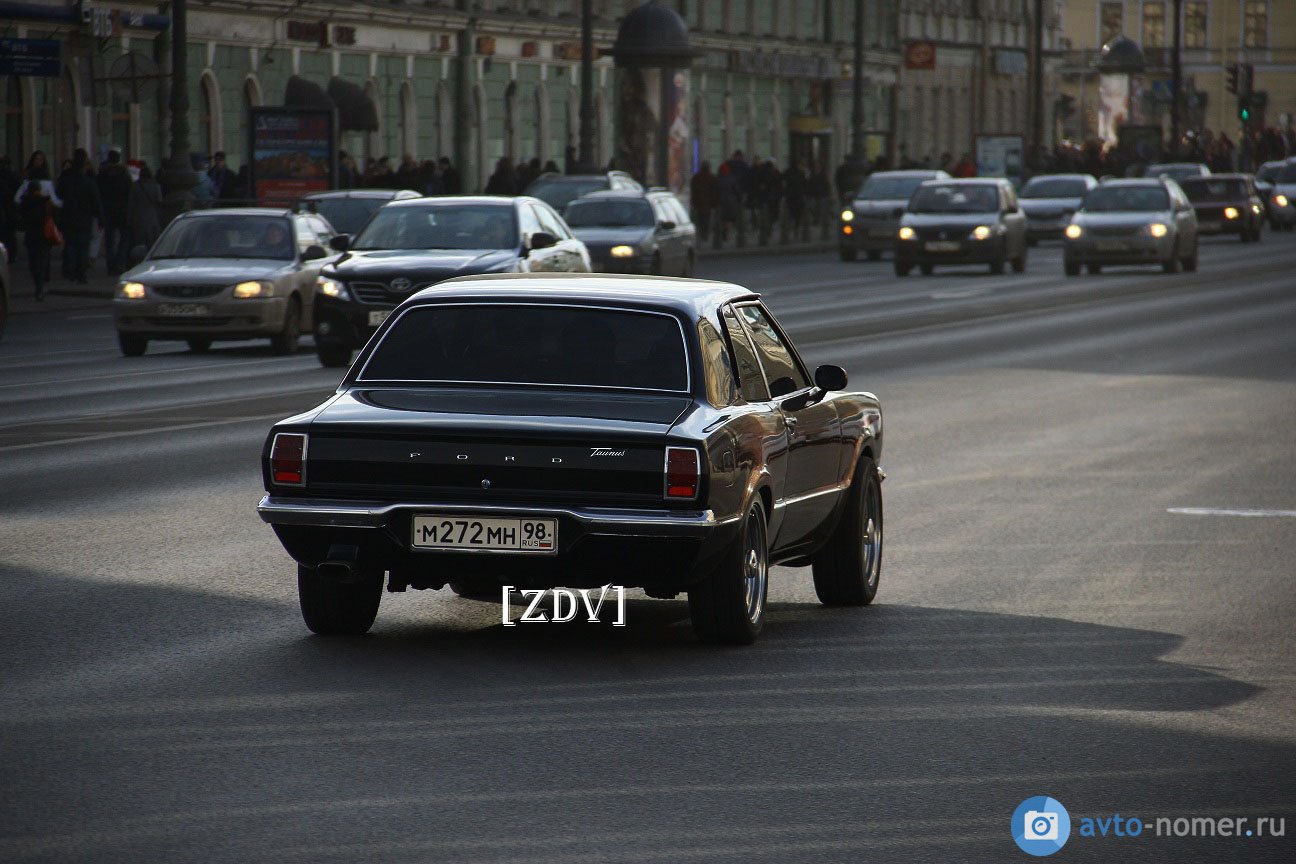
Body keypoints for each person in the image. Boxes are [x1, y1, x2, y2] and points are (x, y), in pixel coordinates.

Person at [15, 151, 63, 300]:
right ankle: (41, 284)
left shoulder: (26, 200)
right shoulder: (45, 199)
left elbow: (17, 200)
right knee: (42, 260)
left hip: (31, 235)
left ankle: (39, 283)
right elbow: (55, 203)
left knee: (34, 261)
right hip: (44, 233)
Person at [58, 149, 102, 284]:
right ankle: (81, 274)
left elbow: (58, 197)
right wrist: (100, 217)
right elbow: (96, 201)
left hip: (68, 217)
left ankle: (71, 272)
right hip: (84, 219)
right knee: (83, 247)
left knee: (71, 246)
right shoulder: (88, 182)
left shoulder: (65, 180)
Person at [97, 150, 133, 275]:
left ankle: (110, 265)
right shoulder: (124, 173)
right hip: (122, 210)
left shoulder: (102, 174)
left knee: (109, 239)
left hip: (107, 210)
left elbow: (99, 193)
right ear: (118, 159)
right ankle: (119, 262)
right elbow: (130, 192)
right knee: (125, 237)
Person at [127, 161, 163, 250]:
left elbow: (131, 203)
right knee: (152, 244)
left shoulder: (135, 186)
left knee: (138, 243)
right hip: (152, 218)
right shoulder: (156, 186)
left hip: (137, 218)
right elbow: (159, 201)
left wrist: (129, 218)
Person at [690, 161, 715, 242]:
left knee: (700, 219)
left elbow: (693, 190)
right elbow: (714, 190)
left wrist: (693, 201)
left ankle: (701, 233)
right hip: (708, 202)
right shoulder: (711, 177)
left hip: (698, 202)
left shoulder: (696, 177)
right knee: (706, 218)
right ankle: (705, 233)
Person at [0, 155, 18, 263]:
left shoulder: (9, 176)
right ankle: (11, 255)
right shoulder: (12, 176)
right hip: (10, 208)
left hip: (6, 208)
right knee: (10, 234)